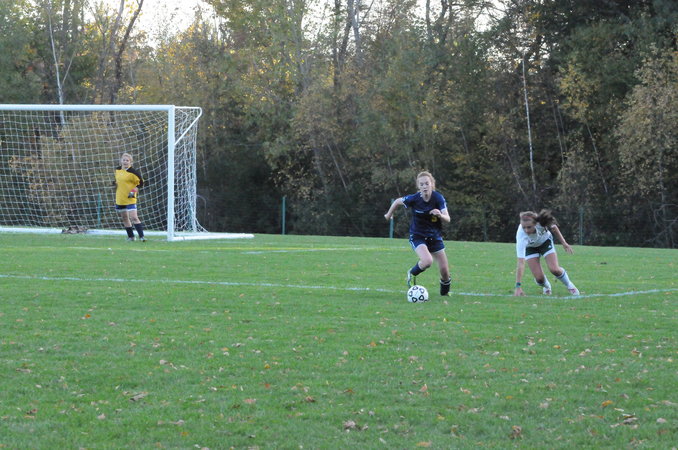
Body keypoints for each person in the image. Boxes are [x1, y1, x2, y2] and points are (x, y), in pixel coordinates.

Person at [384, 171, 452, 296]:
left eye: (427, 183)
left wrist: (440, 215)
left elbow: (448, 218)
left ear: (432, 184)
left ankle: (444, 295)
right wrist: (389, 215)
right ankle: (412, 273)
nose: (424, 186)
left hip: (435, 237)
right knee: (427, 261)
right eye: (422, 184)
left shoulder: (438, 198)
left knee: (444, 271)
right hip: (418, 235)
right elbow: (397, 201)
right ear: (418, 186)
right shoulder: (414, 199)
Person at [514, 209, 579, 296]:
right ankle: (547, 286)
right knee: (539, 279)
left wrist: (564, 243)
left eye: (529, 227)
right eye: (523, 227)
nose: (526, 230)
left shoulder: (541, 222)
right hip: (530, 248)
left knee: (555, 269)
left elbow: (554, 228)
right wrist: (518, 286)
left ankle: (569, 285)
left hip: (545, 242)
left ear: (535, 224)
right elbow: (521, 263)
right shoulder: (521, 236)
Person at [114, 152, 146, 242]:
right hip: (120, 197)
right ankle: (131, 237)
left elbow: (141, 182)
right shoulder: (117, 170)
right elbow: (117, 181)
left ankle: (142, 237)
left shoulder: (133, 172)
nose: (125, 162)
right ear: (121, 161)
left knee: (134, 217)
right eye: (124, 160)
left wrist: (135, 189)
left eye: (127, 160)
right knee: (125, 218)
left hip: (130, 197)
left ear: (130, 162)